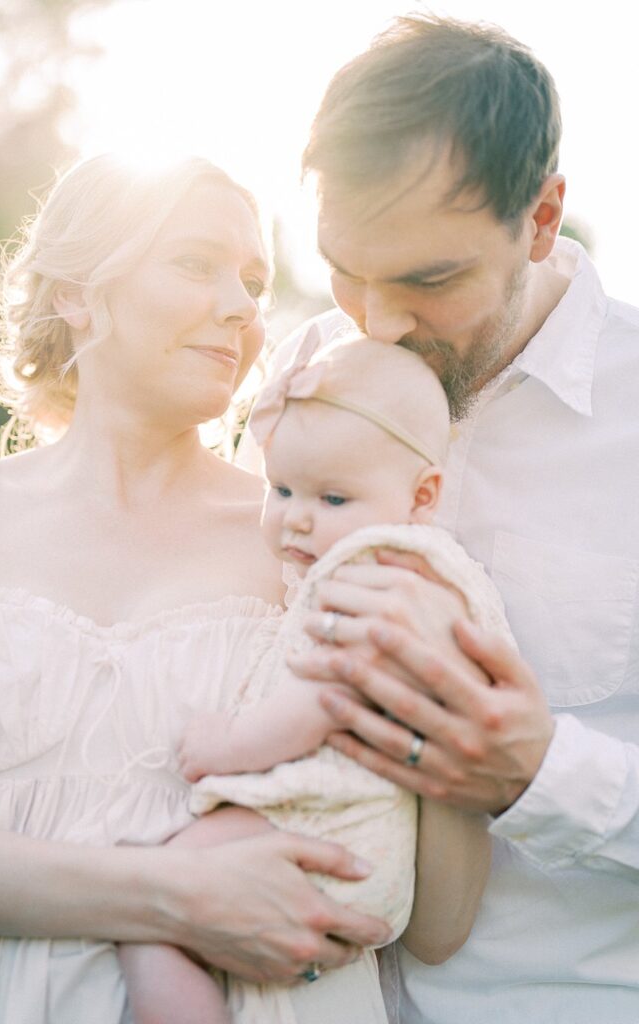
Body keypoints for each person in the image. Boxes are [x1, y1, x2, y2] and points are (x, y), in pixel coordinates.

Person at [0, 153, 398, 1024]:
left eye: (255, 282)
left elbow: (389, 846)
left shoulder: (308, 537)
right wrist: (172, 896)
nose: (242, 308)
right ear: (77, 292)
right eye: (196, 263)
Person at [251, 13, 639, 1023]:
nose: (375, 321)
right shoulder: (300, 376)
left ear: (544, 217)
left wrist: (541, 769)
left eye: (430, 280)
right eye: (346, 267)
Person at [119, 334, 506, 1023]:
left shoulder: (372, 571)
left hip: (334, 836)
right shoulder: (432, 570)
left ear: (422, 495)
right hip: (358, 852)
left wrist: (233, 745)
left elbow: (324, 698)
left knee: (154, 907)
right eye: (281, 488)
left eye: (332, 498)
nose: (296, 516)